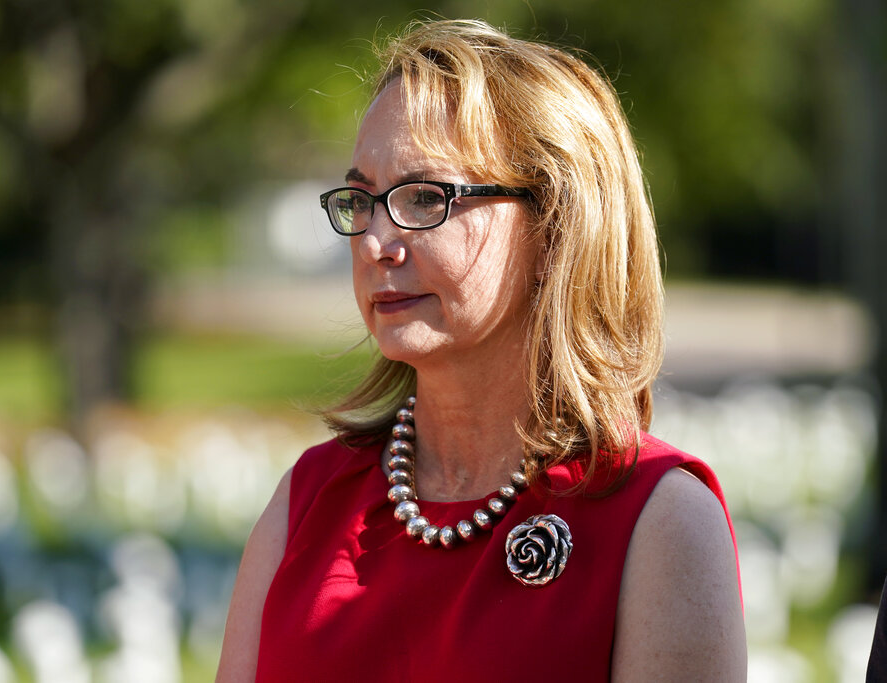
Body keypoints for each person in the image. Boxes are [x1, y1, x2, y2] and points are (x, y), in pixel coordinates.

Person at [217, 18, 746, 682]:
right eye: (363, 199)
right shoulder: (307, 502)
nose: (377, 240)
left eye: (423, 197)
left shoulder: (658, 520)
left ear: (556, 227)